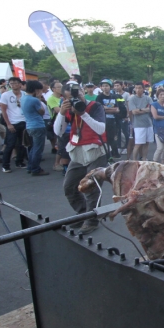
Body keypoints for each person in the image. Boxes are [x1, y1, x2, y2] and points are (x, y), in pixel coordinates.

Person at [53, 84, 106, 234]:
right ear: (65, 98)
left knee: (91, 187)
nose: (77, 99)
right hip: (77, 152)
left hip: (95, 151)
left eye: (79, 94)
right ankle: (83, 213)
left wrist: (83, 114)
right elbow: (58, 131)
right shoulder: (68, 110)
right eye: (71, 98)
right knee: (69, 186)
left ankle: (92, 220)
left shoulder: (95, 106)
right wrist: (62, 113)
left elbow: (101, 129)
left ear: (83, 92)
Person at [21, 81, 49, 176]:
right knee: (38, 149)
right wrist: (39, 99)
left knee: (33, 148)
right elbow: (42, 112)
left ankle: (30, 166)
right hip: (38, 125)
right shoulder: (34, 100)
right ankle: (36, 168)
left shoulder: (23, 98)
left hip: (29, 125)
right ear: (36, 90)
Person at [0, 77, 28, 173]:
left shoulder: (24, 94)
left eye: (16, 83)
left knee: (23, 143)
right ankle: (5, 165)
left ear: (20, 84)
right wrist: (8, 124)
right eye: (11, 83)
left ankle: (19, 161)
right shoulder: (5, 95)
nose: (14, 85)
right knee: (10, 144)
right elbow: (3, 110)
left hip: (24, 121)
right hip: (13, 122)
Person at [96, 79, 125, 159]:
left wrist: (108, 109)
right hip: (103, 121)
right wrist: (112, 109)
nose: (105, 88)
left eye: (107, 86)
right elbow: (101, 109)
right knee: (104, 139)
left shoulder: (114, 96)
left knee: (113, 139)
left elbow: (118, 109)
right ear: (101, 87)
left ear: (110, 87)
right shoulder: (99, 97)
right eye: (103, 86)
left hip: (114, 122)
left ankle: (113, 154)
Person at [127, 82, 153, 161]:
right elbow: (134, 112)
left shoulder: (148, 98)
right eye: (136, 88)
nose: (138, 90)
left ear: (143, 89)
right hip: (138, 124)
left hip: (148, 123)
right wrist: (144, 109)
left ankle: (144, 159)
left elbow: (151, 109)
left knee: (147, 143)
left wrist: (139, 110)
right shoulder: (132, 99)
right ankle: (134, 160)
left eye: (139, 88)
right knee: (138, 144)